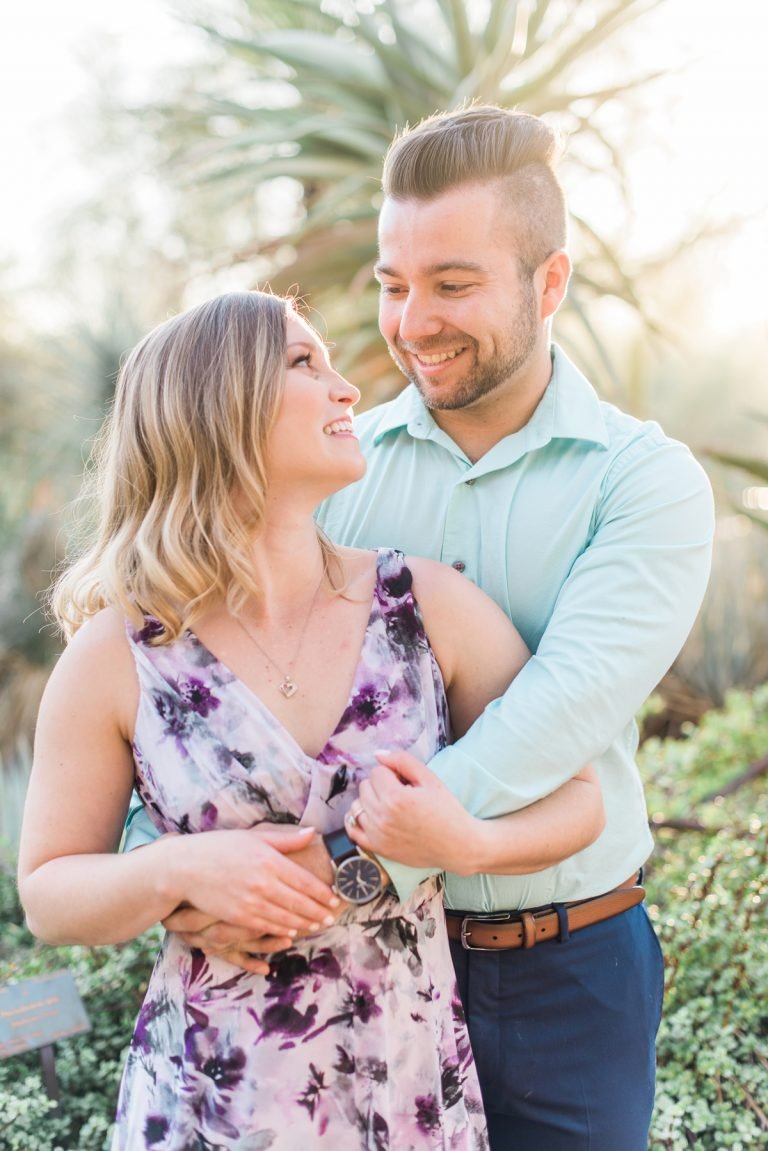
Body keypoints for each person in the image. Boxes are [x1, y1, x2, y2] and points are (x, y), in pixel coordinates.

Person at [142, 106, 715, 1150]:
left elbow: (560, 712)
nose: (412, 323)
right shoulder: (333, 467)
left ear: (549, 284)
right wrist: (175, 868)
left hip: (570, 970)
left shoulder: (645, 483)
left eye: (452, 284)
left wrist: (332, 873)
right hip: (361, 977)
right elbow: (200, 673)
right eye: (393, 285)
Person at [18, 289, 607, 1151]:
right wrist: (179, 868)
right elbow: (48, 892)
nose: (348, 390)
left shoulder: (430, 605)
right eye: (305, 363)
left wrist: (463, 842)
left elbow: (581, 801)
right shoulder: (118, 654)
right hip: (208, 1104)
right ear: (217, 405)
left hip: (403, 1091)